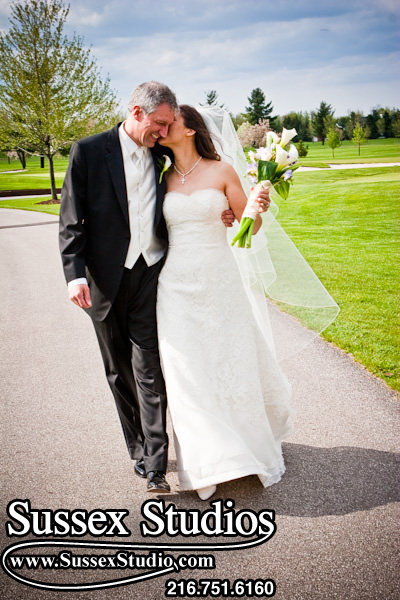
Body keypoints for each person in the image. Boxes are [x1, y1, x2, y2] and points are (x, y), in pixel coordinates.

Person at [156, 105, 293, 501]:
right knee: (186, 371)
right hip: (175, 285)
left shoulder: (222, 171)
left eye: (171, 123)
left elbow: (252, 218)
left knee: (228, 360)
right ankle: (204, 461)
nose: (163, 128)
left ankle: (243, 446)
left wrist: (253, 209)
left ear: (189, 130)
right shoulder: (161, 178)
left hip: (219, 280)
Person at [59, 82, 179, 493]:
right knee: (117, 371)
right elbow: (72, 221)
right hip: (103, 282)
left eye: (168, 126)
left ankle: (156, 466)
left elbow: (193, 183)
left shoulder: (164, 154)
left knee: (148, 367)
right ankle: (138, 450)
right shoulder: (89, 151)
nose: (163, 133)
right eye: (159, 124)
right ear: (136, 112)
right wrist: (74, 275)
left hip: (149, 272)